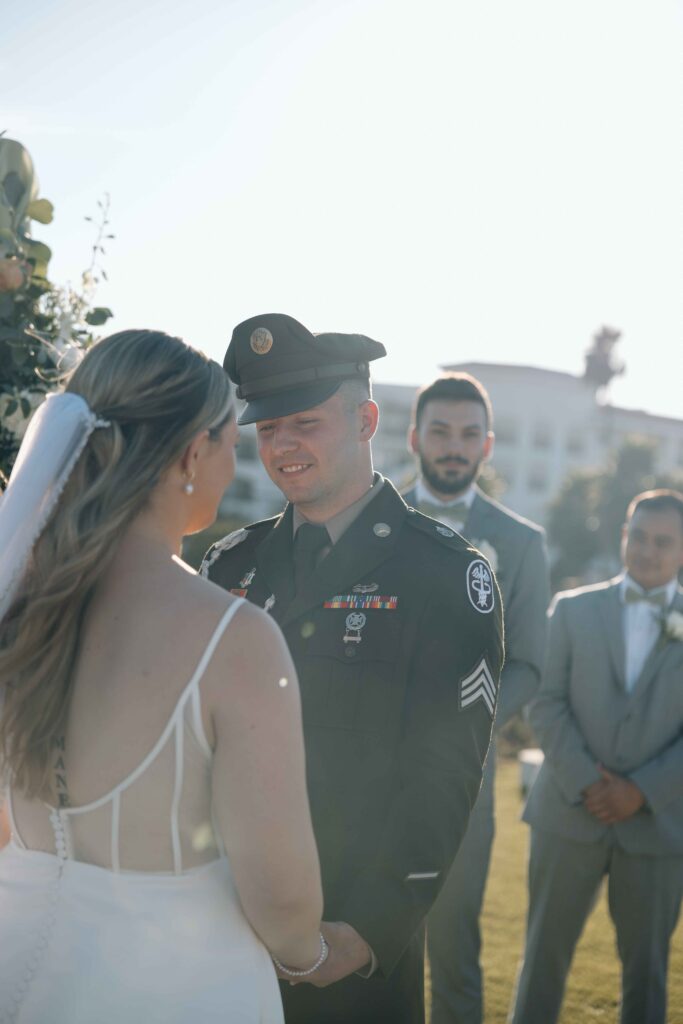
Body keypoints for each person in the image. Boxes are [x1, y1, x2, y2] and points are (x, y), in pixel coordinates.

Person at [0, 329, 324, 1023]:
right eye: (231, 444)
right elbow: (281, 893)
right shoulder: (234, 640)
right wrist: (309, 956)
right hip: (171, 985)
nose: (233, 467)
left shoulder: (14, 606)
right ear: (189, 453)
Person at [202, 314, 505, 1024]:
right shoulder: (228, 565)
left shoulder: (443, 574)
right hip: (221, 928)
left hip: (348, 946)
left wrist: (369, 930)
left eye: (304, 423)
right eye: (268, 428)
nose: (282, 446)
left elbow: (444, 773)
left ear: (365, 419)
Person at [403, 373, 550, 1024]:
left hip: (463, 776)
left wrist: (467, 723)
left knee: (454, 948)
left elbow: (528, 663)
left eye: (467, 434)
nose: (453, 447)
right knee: (356, 943)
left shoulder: (520, 544)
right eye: (439, 431)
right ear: (413, 438)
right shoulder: (367, 520)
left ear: (487, 445)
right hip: (358, 772)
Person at [509, 489, 683, 1024]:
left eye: (664, 542)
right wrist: (589, 781)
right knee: (542, 959)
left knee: (647, 973)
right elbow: (544, 700)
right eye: (638, 537)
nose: (647, 551)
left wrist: (640, 791)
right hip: (567, 811)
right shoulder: (572, 609)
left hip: (658, 824)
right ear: (623, 535)